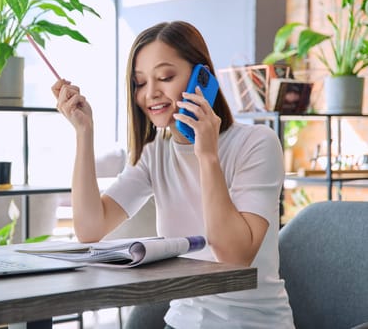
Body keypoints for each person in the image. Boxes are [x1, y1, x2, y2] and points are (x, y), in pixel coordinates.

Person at [52, 21, 294, 329]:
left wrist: (206, 155)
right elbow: (90, 227)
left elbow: (234, 257)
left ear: (201, 77)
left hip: (250, 323)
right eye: (140, 83)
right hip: (181, 322)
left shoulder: (257, 143)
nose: (151, 93)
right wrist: (84, 133)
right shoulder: (156, 154)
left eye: (165, 77)